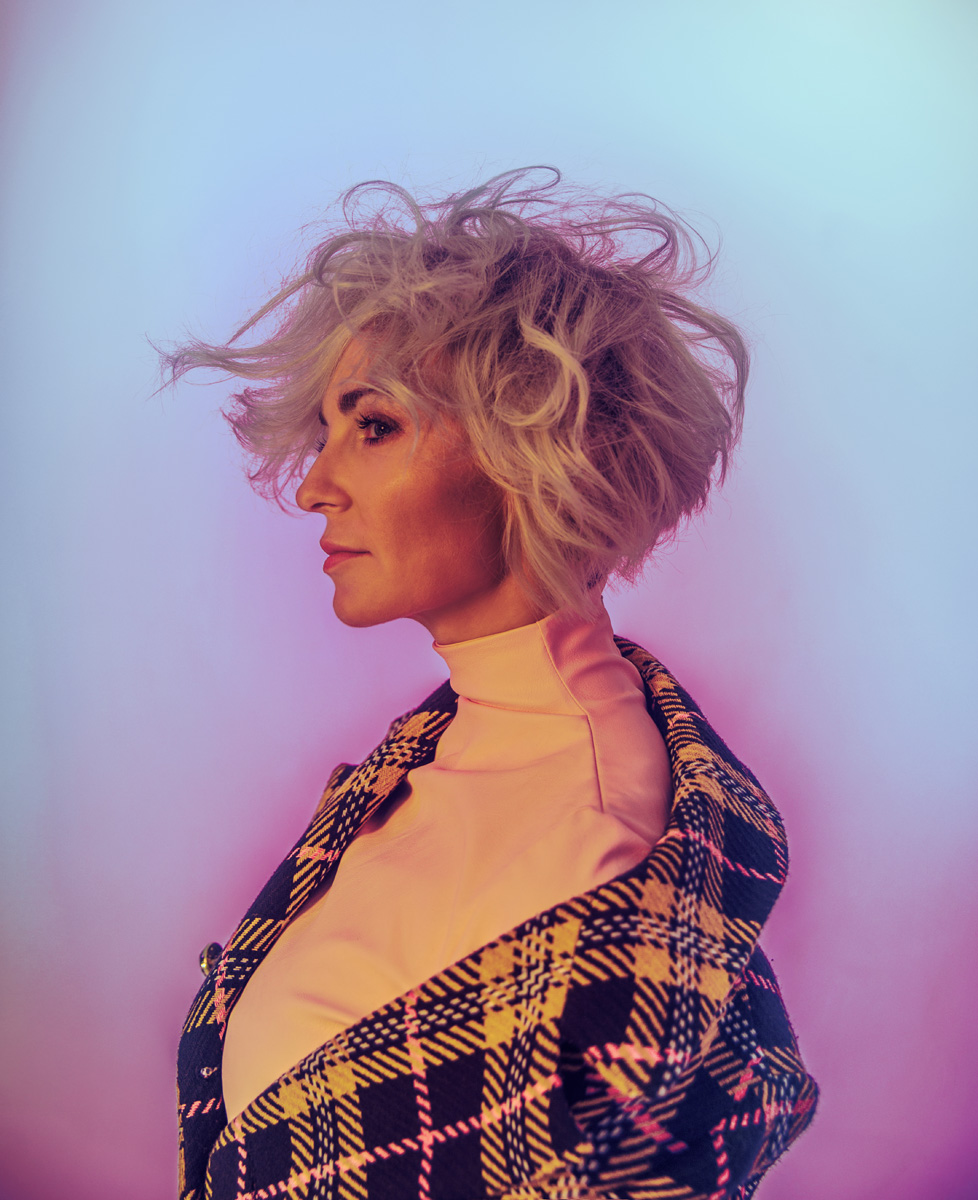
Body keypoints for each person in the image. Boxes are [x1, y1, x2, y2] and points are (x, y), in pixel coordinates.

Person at [162, 167, 817, 1200]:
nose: (316, 484)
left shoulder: (596, 855)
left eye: (374, 426)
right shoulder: (430, 751)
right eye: (327, 432)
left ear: (532, 448)